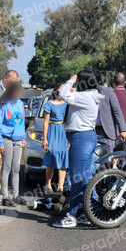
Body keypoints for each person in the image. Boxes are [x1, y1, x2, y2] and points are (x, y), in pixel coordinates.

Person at [53, 70, 104, 229]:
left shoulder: (86, 96)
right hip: (85, 137)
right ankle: (84, 212)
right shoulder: (91, 95)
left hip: (81, 138)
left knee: (77, 178)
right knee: (83, 177)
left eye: (77, 82)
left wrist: (70, 79)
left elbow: (62, 94)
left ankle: (73, 215)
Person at [0, 83, 27, 207]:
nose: (18, 95)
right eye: (16, 92)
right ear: (11, 92)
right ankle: (5, 197)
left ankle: (16, 195)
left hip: (18, 139)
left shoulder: (21, 104)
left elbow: (21, 122)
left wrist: (23, 137)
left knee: (16, 168)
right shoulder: (2, 105)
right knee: (7, 167)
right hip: (6, 139)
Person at [42, 83, 69, 194]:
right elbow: (46, 122)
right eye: (61, 88)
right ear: (56, 90)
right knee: (52, 155)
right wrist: (45, 139)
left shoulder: (67, 104)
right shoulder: (49, 104)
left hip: (64, 131)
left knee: (64, 156)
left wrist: (69, 138)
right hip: (53, 131)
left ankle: (60, 185)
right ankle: (48, 184)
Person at [95, 81, 126, 153]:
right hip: (90, 131)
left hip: (106, 132)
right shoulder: (83, 93)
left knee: (109, 159)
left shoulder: (107, 91)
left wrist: (123, 130)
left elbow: (117, 111)